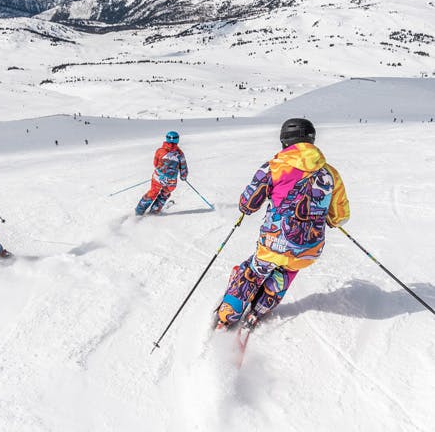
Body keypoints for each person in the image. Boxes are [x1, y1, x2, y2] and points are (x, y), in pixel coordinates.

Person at [215, 118, 350, 330]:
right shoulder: (330, 173)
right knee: (285, 272)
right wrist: (331, 218)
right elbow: (339, 215)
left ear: (285, 141)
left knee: (252, 272)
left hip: (274, 241)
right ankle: (258, 310)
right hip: (309, 248)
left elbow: (249, 202)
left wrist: (244, 209)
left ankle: (228, 313)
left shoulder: (274, 167)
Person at [135, 131, 188, 215]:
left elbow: (155, 163)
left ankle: (139, 210)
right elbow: (183, 167)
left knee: (153, 191)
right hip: (171, 181)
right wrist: (183, 176)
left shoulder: (160, 151)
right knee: (165, 193)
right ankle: (155, 210)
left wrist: (161, 171)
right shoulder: (180, 154)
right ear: (177, 140)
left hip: (158, 177)